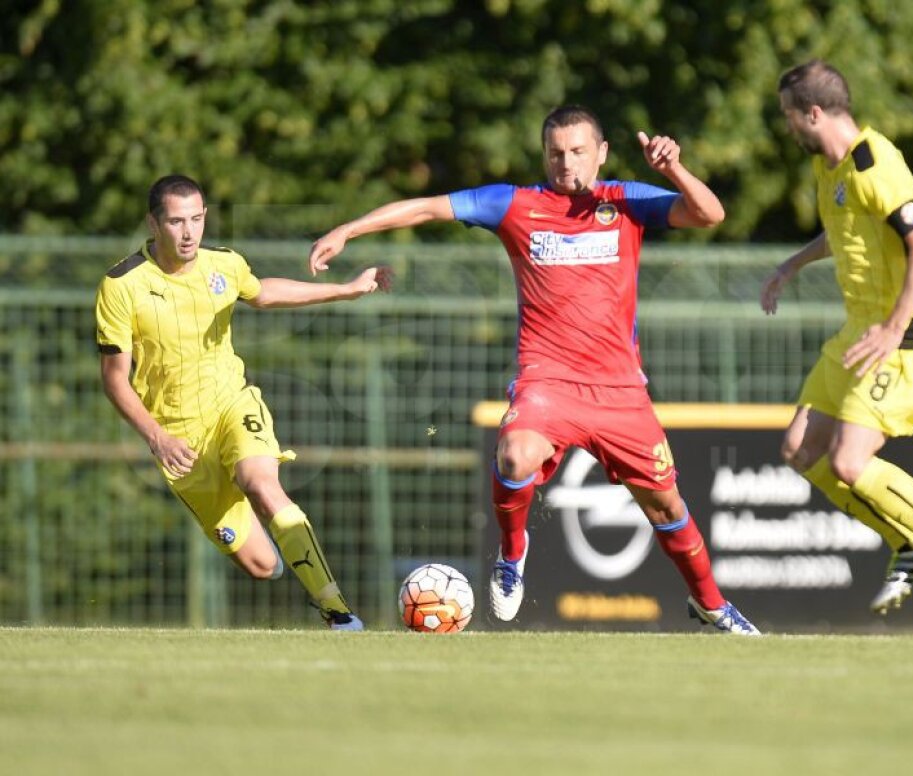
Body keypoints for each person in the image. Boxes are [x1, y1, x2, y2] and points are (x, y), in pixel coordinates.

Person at [309, 105, 760, 635]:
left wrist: (675, 171)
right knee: (516, 454)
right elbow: (428, 208)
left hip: (619, 391)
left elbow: (710, 215)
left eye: (577, 152)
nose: (565, 163)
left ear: (602, 154)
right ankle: (511, 554)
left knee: (666, 506)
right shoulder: (516, 205)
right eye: (555, 153)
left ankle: (711, 604)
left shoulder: (626, 200)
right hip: (548, 382)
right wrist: (349, 229)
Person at [760, 60, 913, 629]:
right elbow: (846, 231)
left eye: (789, 116)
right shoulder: (831, 168)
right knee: (800, 450)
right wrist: (792, 265)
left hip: (901, 331)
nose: (787, 126)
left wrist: (894, 326)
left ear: (813, 113)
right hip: (860, 329)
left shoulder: (877, 163)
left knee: (848, 461)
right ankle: (910, 546)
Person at [96, 174, 391, 630]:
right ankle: (273, 532)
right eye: (176, 221)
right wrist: (157, 436)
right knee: (262, 566)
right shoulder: (121, 285)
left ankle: (339, 614)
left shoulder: (225, 265)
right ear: (153, 224)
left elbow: (262, 292)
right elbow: (115, 380)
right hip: (180, 441)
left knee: (260, 480)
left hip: (232, 404)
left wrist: (347, 290)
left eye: (196, 219)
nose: (189, 232)